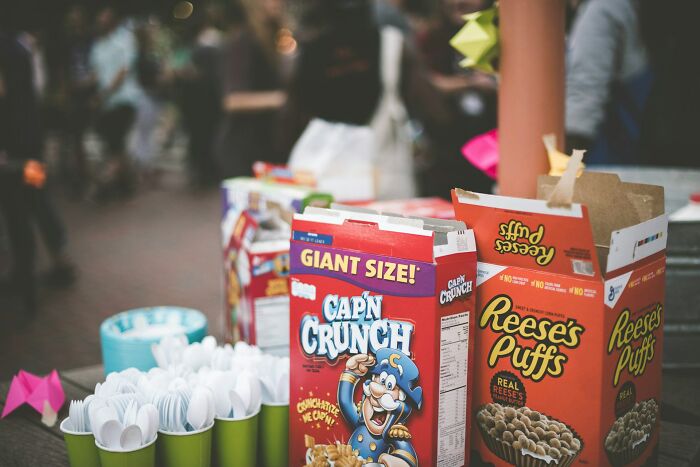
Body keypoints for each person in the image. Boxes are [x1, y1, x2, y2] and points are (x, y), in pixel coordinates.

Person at [281, 0, 448, 199]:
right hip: (383, 174)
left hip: (323, 177)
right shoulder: (392, 43)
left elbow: (289, 121)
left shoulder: (307, 51)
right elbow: (432, 107)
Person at [1, 30, 73, 319]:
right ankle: (59, 261)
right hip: (30, 149)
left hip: (19, 154)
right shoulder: (19, 48)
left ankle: (38, 270)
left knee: (25, 207)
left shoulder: (9, 50)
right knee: (39, 201)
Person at [417, 0, 497, 197]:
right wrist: (471, 82)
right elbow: (426, 81)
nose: (458, 2)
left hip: (493, 150)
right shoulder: (432, 37)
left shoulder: (501, 33)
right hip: (445, 150)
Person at [215, 0, 289, 178]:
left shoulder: (274, 39)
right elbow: (233, 101)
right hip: (244, 150)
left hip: (263, 147)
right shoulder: (243, 40)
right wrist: (283, 99)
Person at [90, 6, 143, 199]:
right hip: (107, 103)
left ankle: (106, 183)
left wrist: (104, 93)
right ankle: (126, 182)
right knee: (116, 146)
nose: (102, 22)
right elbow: (96, 73)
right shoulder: (98, 45)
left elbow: (123, 71)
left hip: (124, 100)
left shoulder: (124, 40)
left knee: (116, 143)